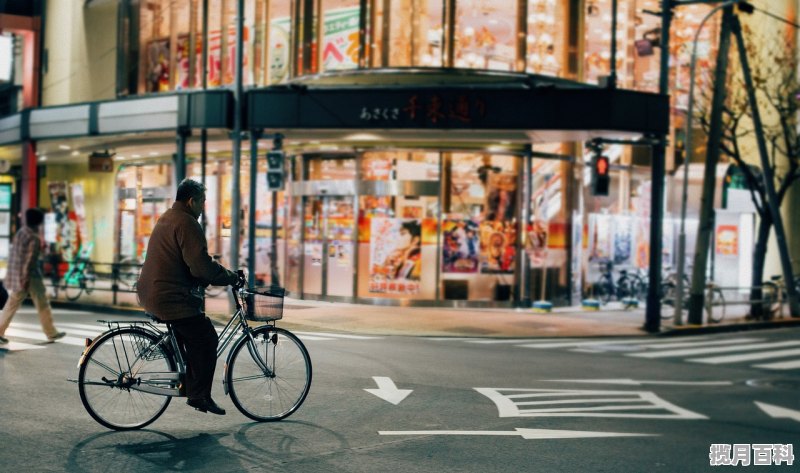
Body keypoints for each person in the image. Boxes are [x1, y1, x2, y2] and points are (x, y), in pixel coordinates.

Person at [137, 179, 239, 416]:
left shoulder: (168, 217)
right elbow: (201, 266)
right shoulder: (187, 223)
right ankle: (199, 395)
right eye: (202, 202)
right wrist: (230, 277)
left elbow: (189, 264)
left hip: (153, 291)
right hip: (170, 297)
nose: (204, 207)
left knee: (193, 336)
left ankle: (189, 381)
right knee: (206, 338)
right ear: (192, 201)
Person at [0, 208, 65, 345]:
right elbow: (29, 261)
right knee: (42, 303)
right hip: (30, 276)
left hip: (18, 274)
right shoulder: (33, 238)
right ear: (39, 222)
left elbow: (15, 254)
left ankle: (0, 331)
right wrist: (25, 279)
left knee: (11, 304)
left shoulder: (21, 232)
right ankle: (51, 332)